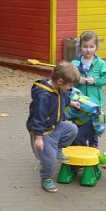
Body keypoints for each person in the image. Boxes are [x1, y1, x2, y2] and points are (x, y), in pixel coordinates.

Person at [26, 61, 80, 193]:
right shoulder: (43, 96)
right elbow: (38, 118)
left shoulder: (59, 87)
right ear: (60, 81)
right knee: (50, 161)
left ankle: (58, 149)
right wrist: (38, 138)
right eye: (70, 85)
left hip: (56, 125)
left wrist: (71, 103)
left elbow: (62, 97)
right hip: (43, 132)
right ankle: (46, 178)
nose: (71, 88)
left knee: (72, 129)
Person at [71, 31, 106, 147]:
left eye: (91, 47)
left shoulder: (100, 63)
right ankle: (79, 145)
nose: (88, 50)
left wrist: (95, 81)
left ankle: (94, 145)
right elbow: (68, 78)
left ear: (96, 47)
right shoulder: (75, 63)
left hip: (95, 101)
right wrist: (76, 80)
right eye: (85, 46)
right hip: (78, 100)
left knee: (94, 123)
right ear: (80, 46)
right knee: (79, 122)